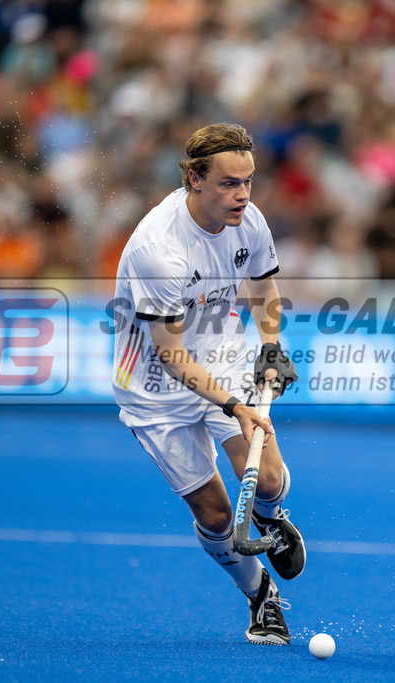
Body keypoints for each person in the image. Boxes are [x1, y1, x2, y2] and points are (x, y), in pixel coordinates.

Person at [111, 123, 304, 645]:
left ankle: (271, 514)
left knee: (265, 479)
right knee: (216, 514)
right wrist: (236, 405)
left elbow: (264, 287)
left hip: (222, 356)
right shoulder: (160, 249)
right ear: (194, 179)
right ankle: (260, 594)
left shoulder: (249, 218)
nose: (242, 194)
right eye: (227, 183)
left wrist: (270, 344)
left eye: (248, 181)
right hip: (155, 387)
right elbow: (170, 355)